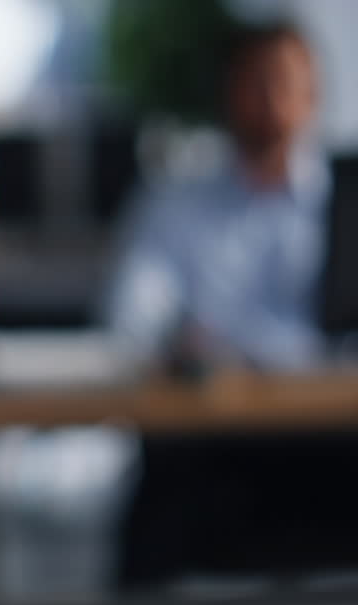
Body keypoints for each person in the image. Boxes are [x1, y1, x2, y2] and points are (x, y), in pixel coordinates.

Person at [104, 21, 330, 374]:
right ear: (228, 92)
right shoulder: (174, 204)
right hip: (207, 419)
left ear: (313, 94)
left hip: (333, 415)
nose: (271, 98)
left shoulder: (339, 202)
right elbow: (133, 316)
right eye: (256, 82)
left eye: (284, 81)